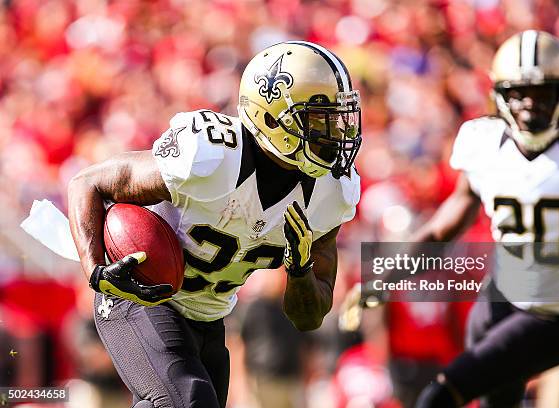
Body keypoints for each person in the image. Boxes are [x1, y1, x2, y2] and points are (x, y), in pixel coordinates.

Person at [67, 41, 362, 408]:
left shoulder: (331, 193)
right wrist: (96, 270)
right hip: (141, 296)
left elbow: (308, 317)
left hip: (210, 316)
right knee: (190, 402)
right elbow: (88, 183)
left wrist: (300, 270)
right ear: (272, 118)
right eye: (319, 120)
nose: (335, 135)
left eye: (338, 119)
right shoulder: (212, 156)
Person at [412, 30, 559, 407]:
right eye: (519, 92)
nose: (530, 105)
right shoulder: (481, 141)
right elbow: (447, 221)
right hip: (496, 300)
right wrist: (389, 274)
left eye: (543, 92)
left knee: (438, 397)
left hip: (553, 316)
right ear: (500, 94)